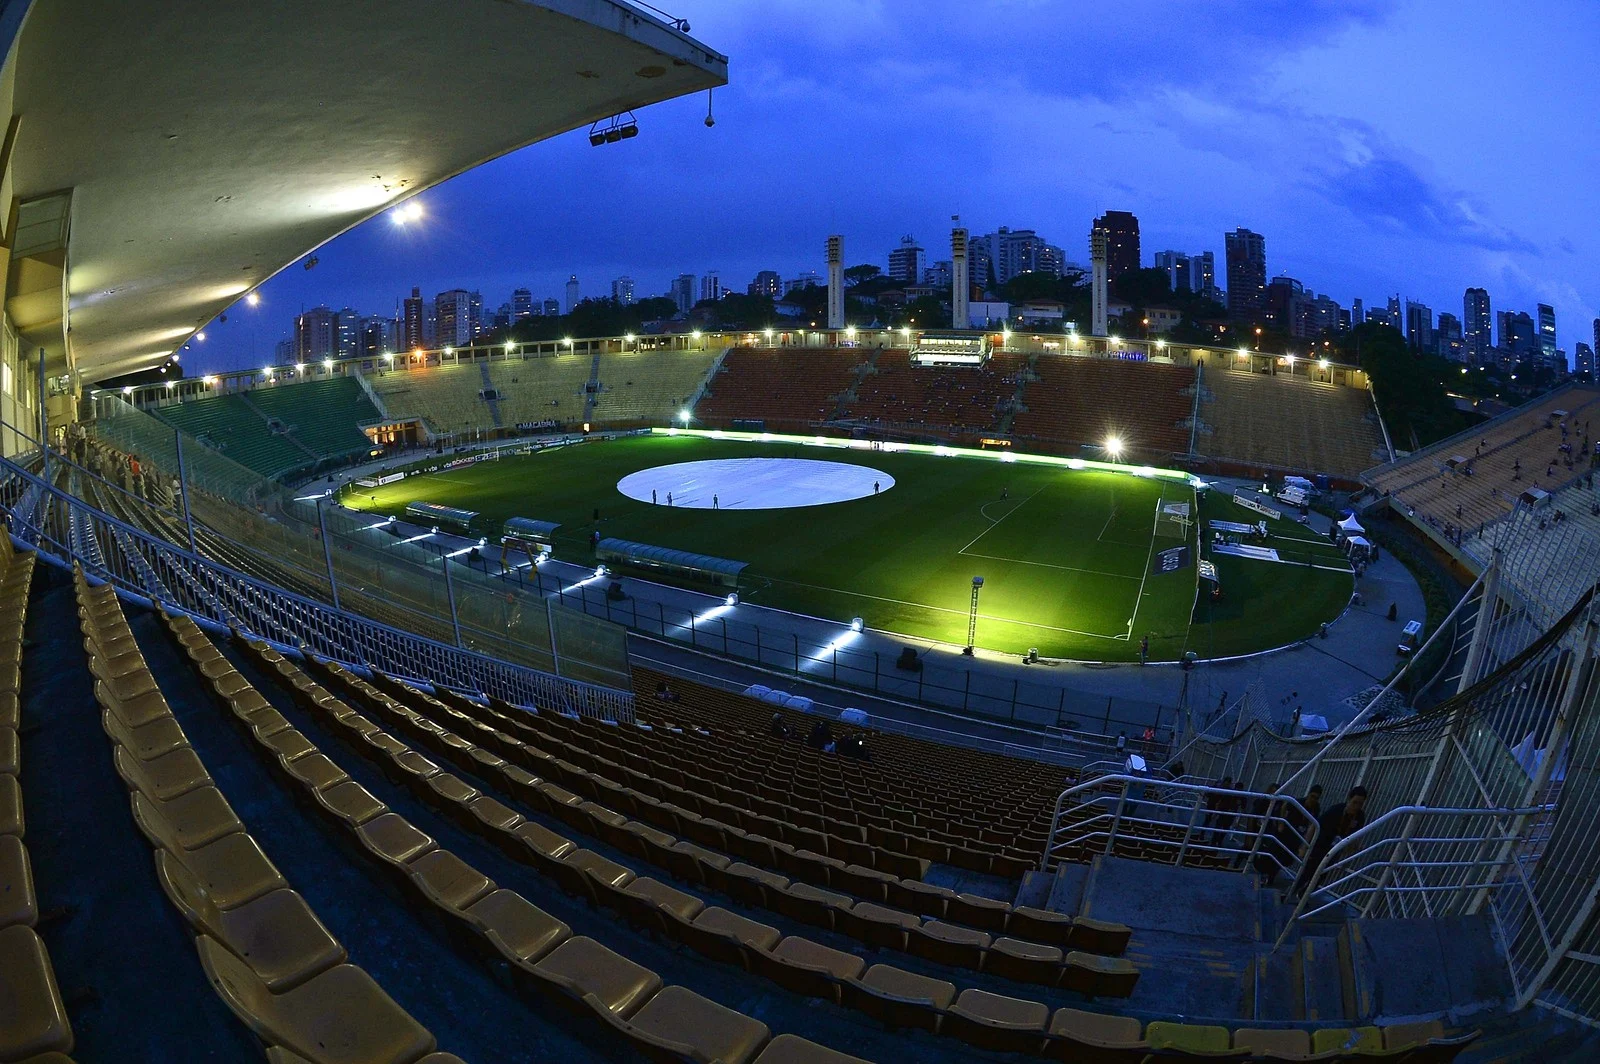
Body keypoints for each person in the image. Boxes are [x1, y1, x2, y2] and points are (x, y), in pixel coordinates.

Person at [1291, 786, 1369, 899]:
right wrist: (1304, 846)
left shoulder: (1360, 816)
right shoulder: (1336, 810)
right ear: (1349, 799)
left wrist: (1349, 854)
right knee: (1307, 872)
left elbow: (1355, 836)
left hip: (1335, 849)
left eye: (1360, 804)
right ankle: (1290, 893)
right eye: (1354, 803)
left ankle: (1303, 896)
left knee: (1322, 876)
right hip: (1320, 845)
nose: (1356, 807)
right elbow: (1314, 825)